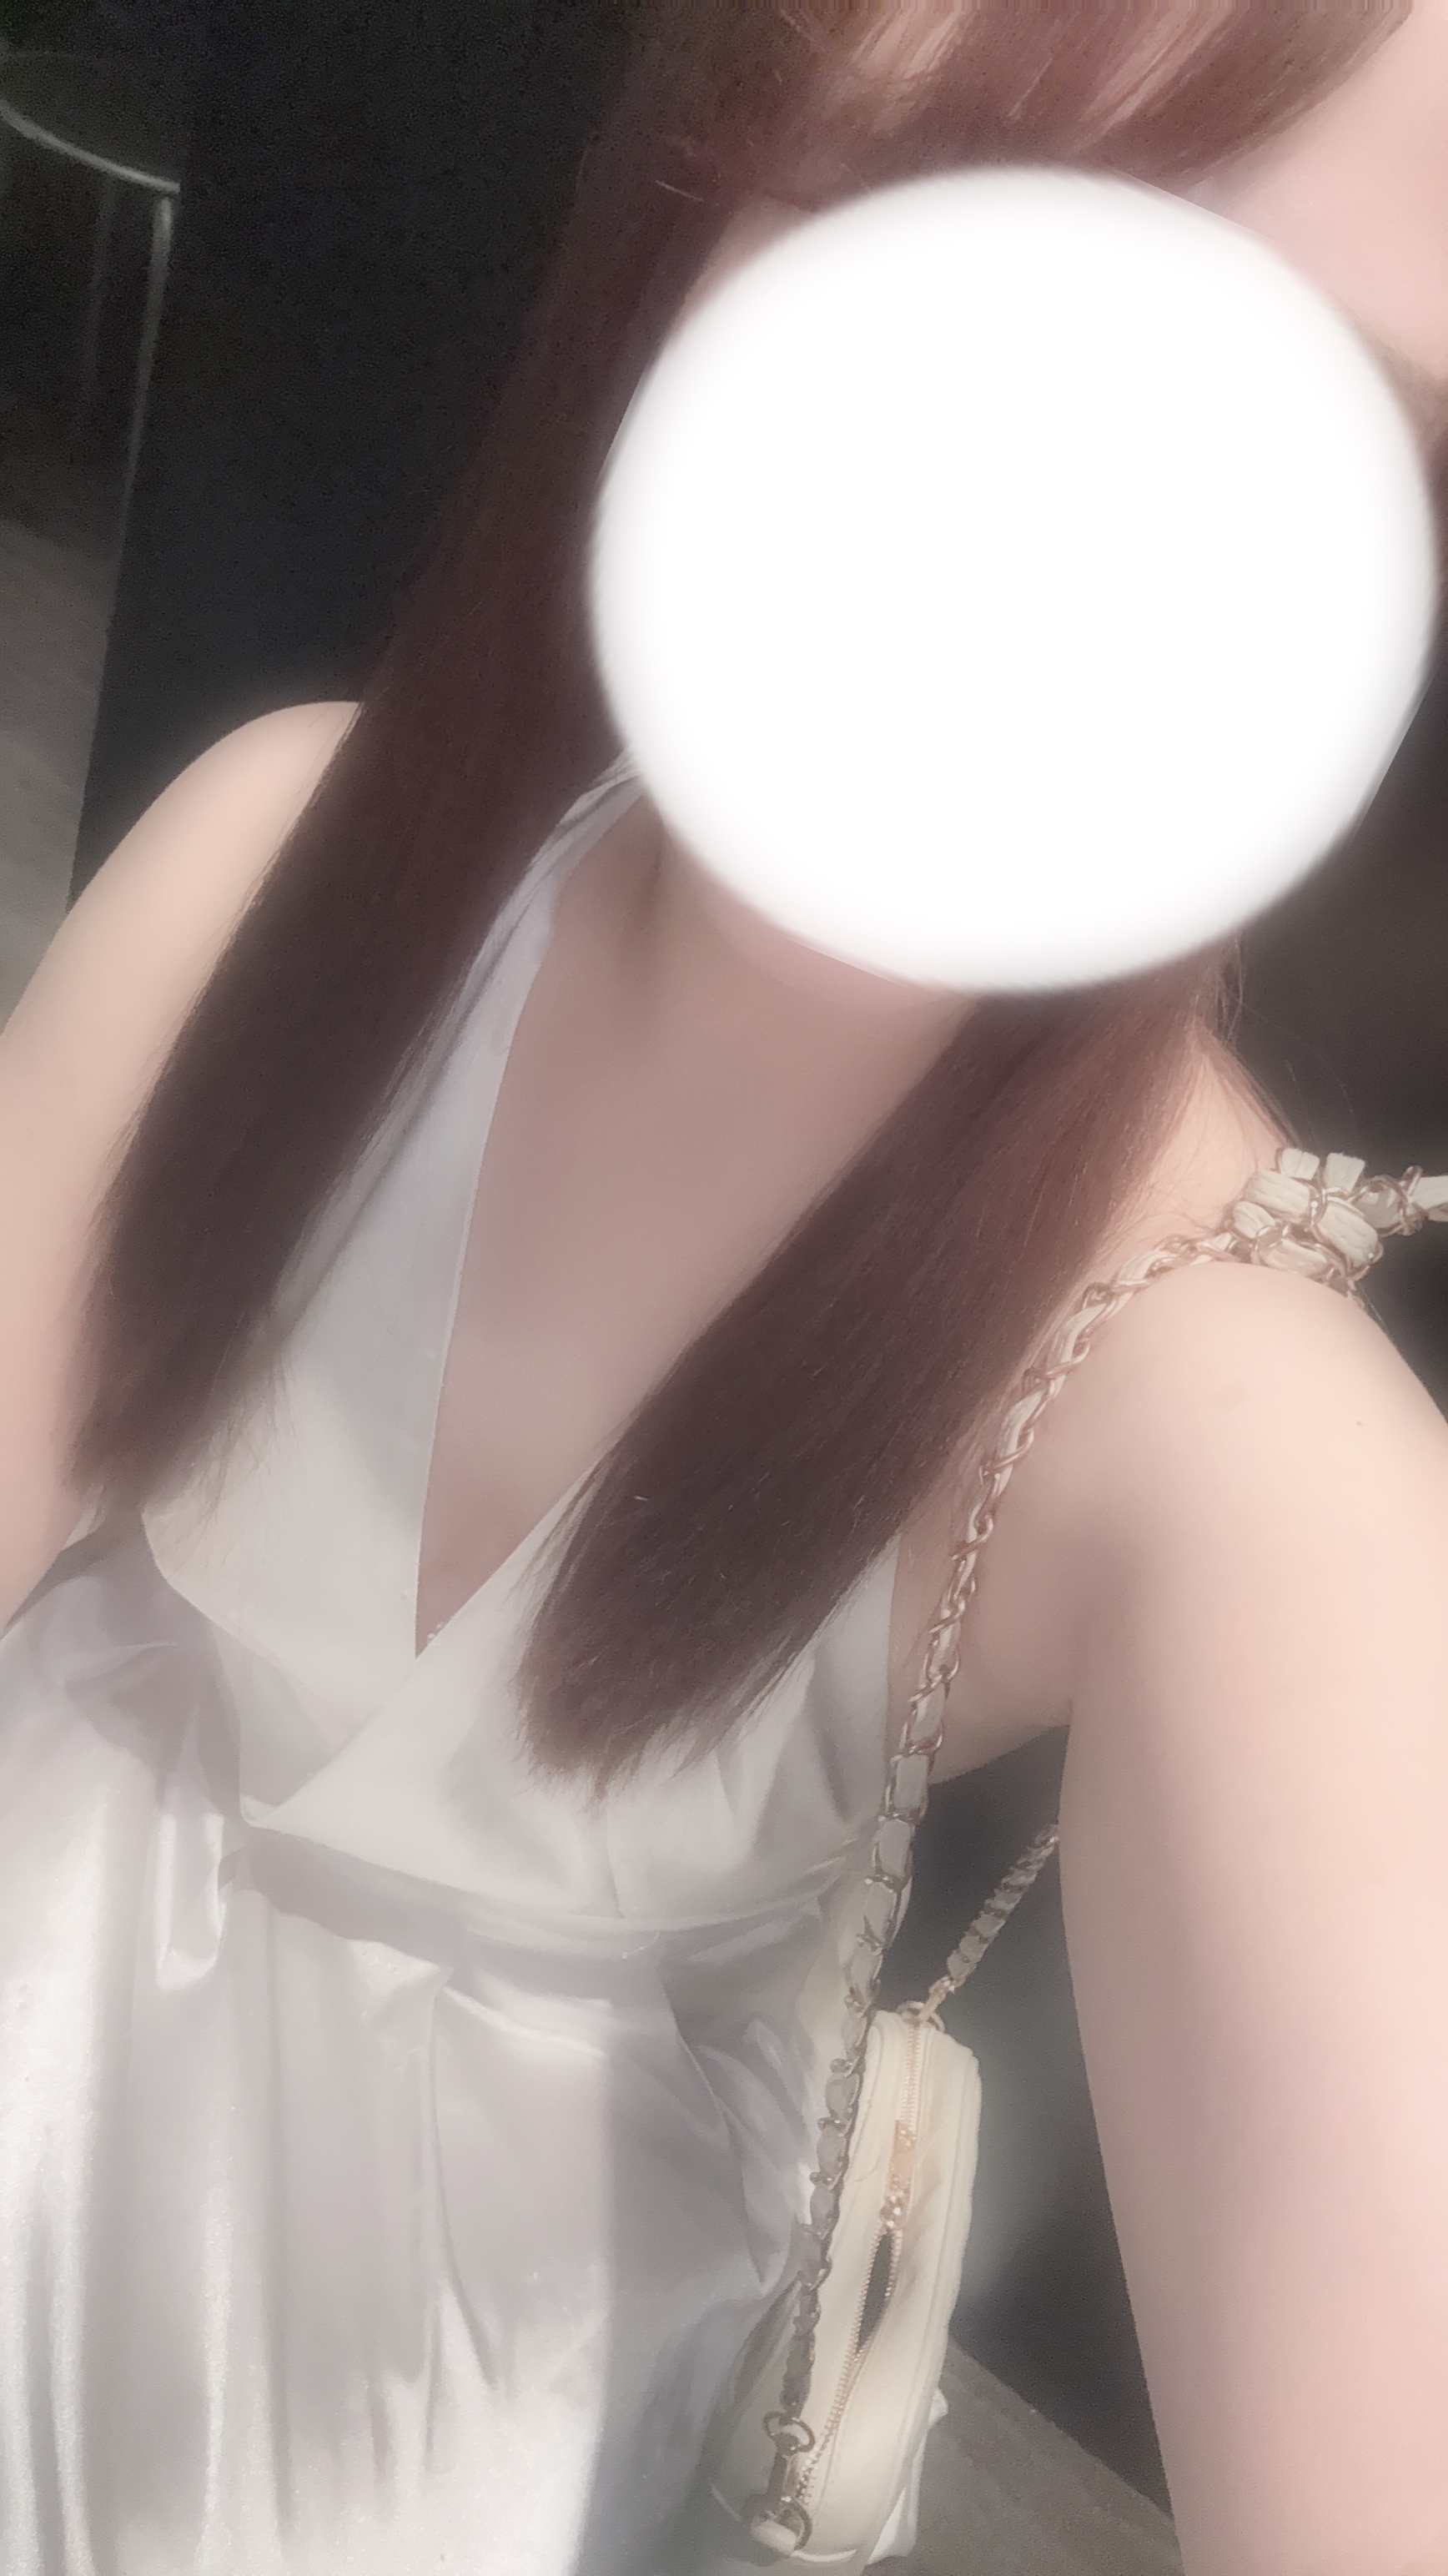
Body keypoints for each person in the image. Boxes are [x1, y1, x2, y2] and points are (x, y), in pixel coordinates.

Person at [2, 3, 1446, 2570]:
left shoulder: (1212, 1414)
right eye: (933, 226)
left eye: (1293, 415)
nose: (1028, 525)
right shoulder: (276, 862)